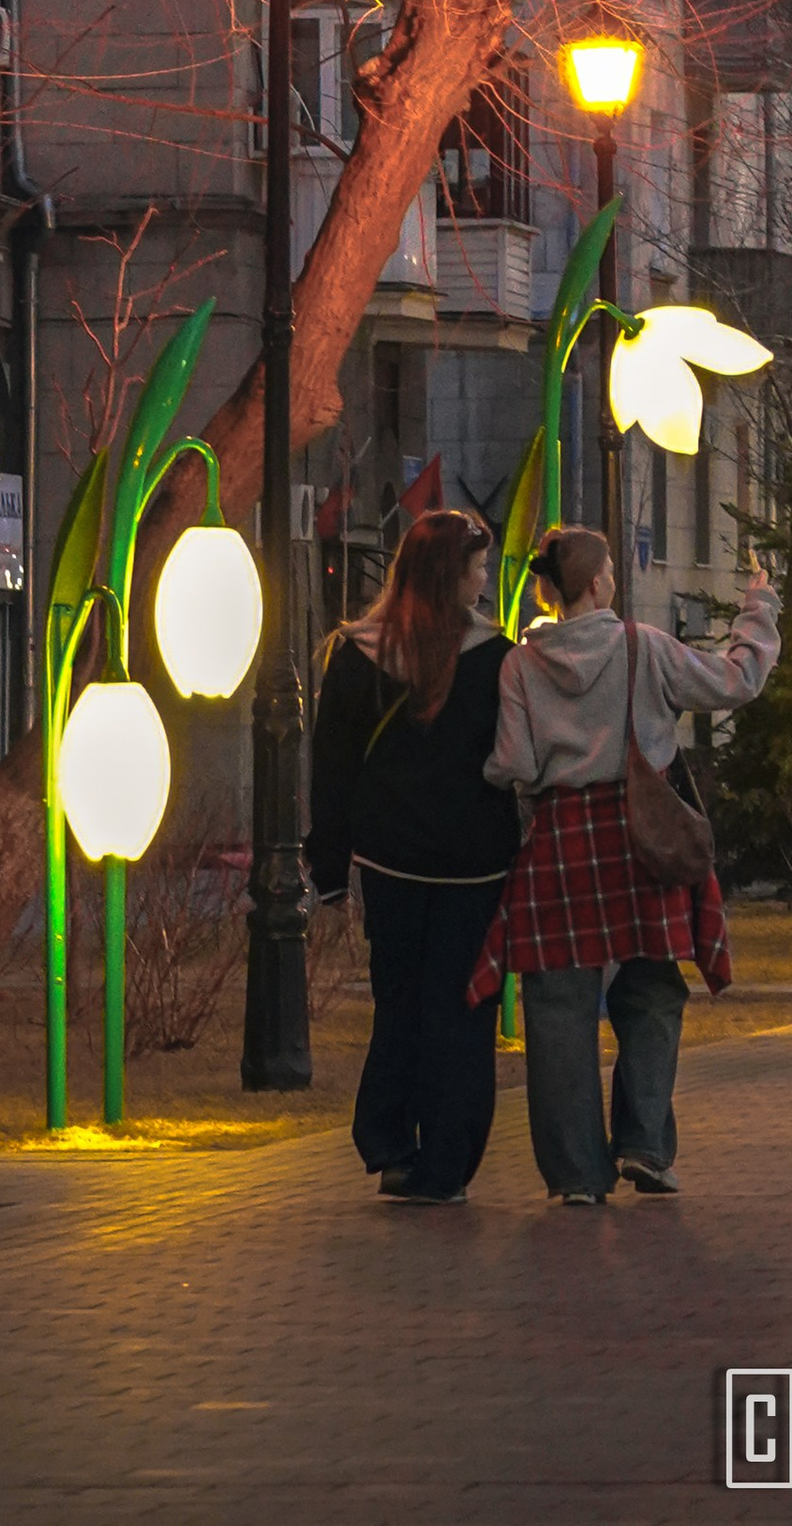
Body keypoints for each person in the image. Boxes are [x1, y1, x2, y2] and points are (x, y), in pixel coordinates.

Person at [474, 522, 780, 1204]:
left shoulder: (520, 665)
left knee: (558, 1005)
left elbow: (516, 764)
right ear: (601, 581)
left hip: (561, 843)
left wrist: (513, 774)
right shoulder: (645, 648)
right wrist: (759, 610)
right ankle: (643, 1142)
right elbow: (739, 680)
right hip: (643, 841)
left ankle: (576, 1175)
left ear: (549, 590)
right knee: (651, 990)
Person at [308, 505, 520, 1203]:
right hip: (476, 866)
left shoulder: (355, 652)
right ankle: (446, 1163)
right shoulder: (496, 657)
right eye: (478, 568)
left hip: (390, 863)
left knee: (397, 1003)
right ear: (450, 575)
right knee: (459, 1010)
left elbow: (333, 770)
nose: (483, 581)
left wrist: (331, 874)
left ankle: (392, 1142)